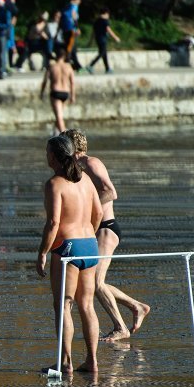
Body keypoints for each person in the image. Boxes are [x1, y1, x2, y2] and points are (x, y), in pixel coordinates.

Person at [62, 129, 150, 342]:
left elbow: (111, 191)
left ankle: (121, 327)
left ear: (72, 147)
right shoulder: (79, 166)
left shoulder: (91, 163)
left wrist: (88, 208)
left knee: (96, 282)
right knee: (94, 283)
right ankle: (136, 306)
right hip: (98, 227)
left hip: (106, 227)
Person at [37, 134, 102, 374]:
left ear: (54, 156)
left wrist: (43, 252)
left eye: (47, 152)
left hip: (68, 248)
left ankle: (65, 363)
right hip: (90, 244)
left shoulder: (54, 184)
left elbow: (53, 223)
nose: (45, 156)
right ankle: (92, 361)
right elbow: (98, 214)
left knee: (63, 305)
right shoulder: (85, 180)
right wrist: (89, 237)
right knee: (86, 304)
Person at [40, 47, 75, 134]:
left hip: (56, 93)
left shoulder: (52, 67)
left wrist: (42, 93)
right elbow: (72, 83)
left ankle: (65, 136)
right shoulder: (69, 67)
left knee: (59, 117)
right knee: (59, 115)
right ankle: (55, 133)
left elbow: (45, 81)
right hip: (65, 93)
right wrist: (73, 96)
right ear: (64, 56)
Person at [86, 8, 121, 74]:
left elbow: (93, 32)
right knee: (102, 52)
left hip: (97, 38)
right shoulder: (105, 21)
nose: (108, 16)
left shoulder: (96, 21)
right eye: (108, 14)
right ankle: (91, 65)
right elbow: (108, 30)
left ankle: (107, 68)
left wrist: (91, 41)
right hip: (103, 38)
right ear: (106, 13)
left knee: (104, 53)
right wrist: (115, 37)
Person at [61, 0, 83, 71]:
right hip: (71, 29)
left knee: (70, 46)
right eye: (79, 0)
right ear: (74, 0)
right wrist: (77, 27)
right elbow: (74, 16)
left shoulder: (65, 7)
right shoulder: (74, 6)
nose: (80, 2)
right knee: (71, 47)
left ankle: (76, 64)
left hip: (65, 29)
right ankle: (68, 63)